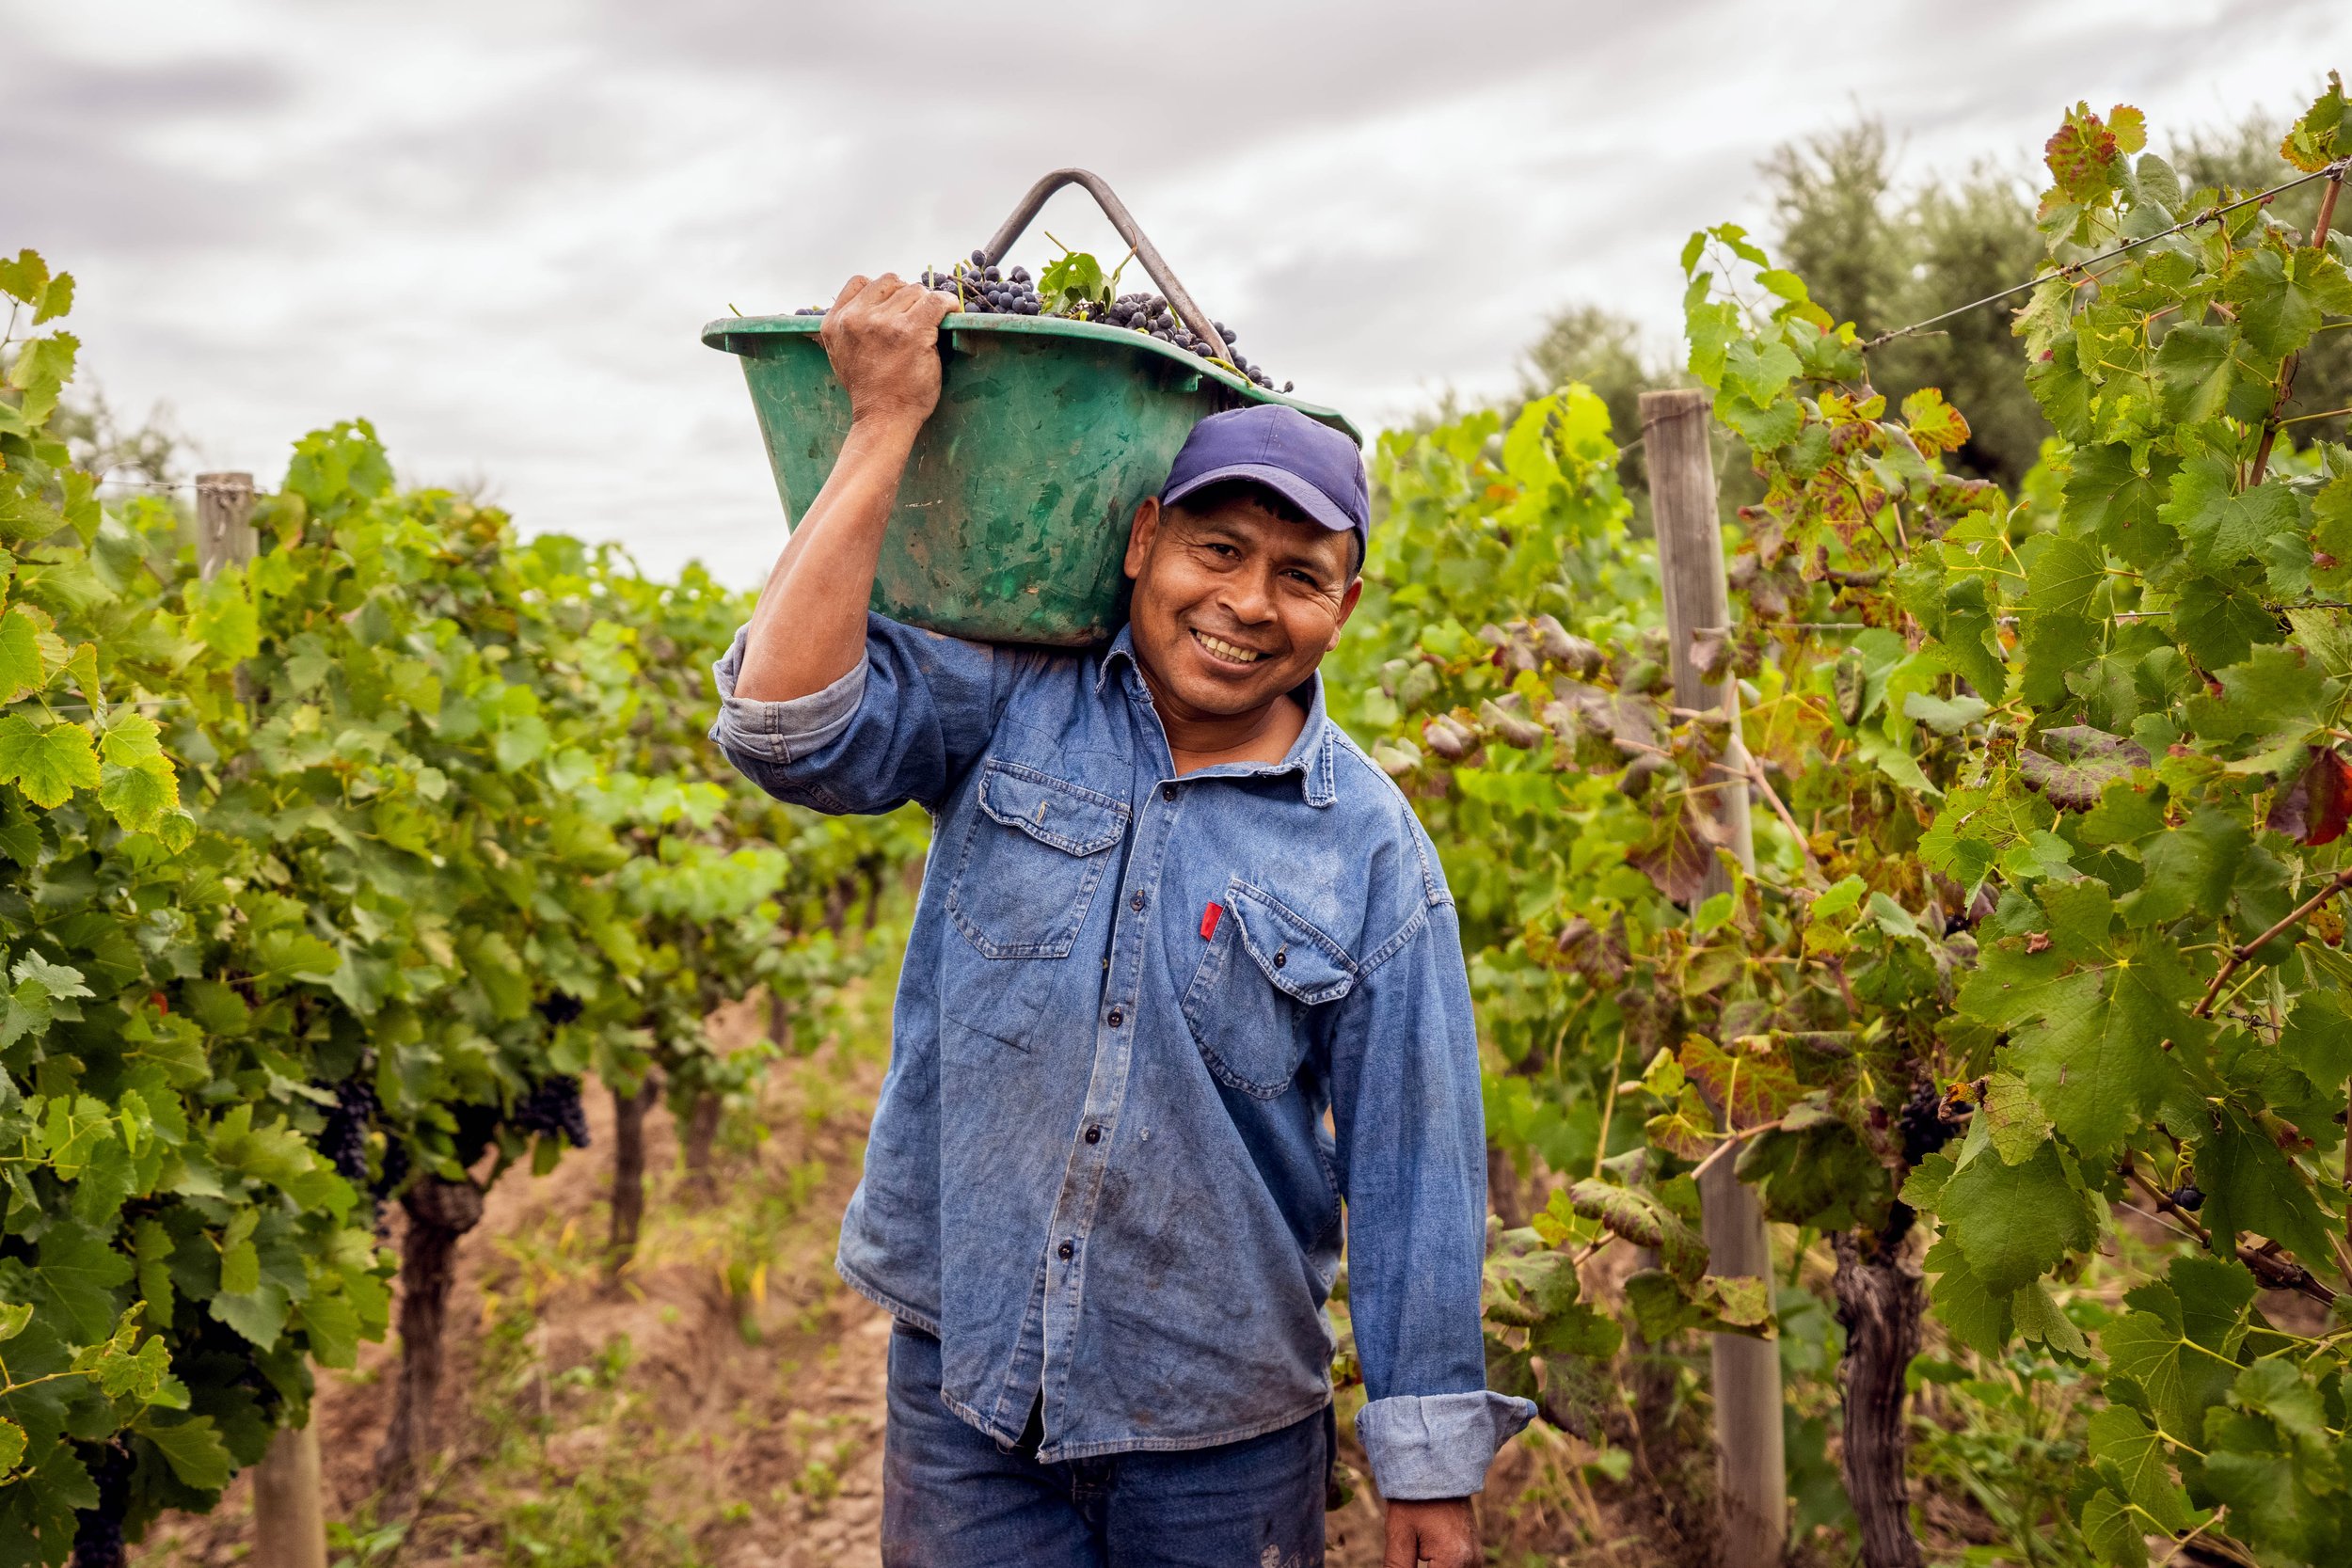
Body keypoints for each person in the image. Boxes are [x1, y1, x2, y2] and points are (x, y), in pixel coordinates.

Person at [709, 273, 1530, 1568]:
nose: (1251, 604)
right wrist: (882, 426)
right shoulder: (1009, 707)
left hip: (1223, 1433)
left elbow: (1415, 1161)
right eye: (1220, 551)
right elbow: (783, 728)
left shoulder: (1370, 846)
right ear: (1143, 541)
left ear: (1345, 607)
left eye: (1300, 576)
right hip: (972, 1391)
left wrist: (1425, 1464)